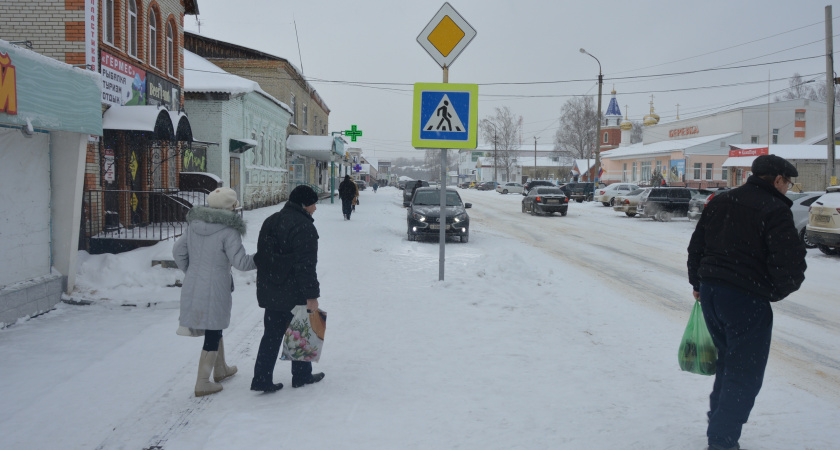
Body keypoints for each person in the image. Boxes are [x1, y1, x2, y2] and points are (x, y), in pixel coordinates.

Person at [687, 154, 806, 450]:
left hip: (712, 293)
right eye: (788, 183)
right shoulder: (775, 209)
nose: (787, 188)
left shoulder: (721, 200)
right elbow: (790, 264)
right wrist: (771, 292)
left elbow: (697, 245)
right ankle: (722, 440)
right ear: (777, 180)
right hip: (746, 300)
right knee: (744, 374)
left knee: (729, 363)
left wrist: (698, 283)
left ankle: (719, 424)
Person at [172, 187, 256, 397]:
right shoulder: (229, 230)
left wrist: (192, 271)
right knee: (213, 330)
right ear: (231, 207)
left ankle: (221, 369)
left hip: (194, 283)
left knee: (213, 326)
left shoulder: (194, 225)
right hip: (216, 285)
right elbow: (241, 263)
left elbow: (178, 251)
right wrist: (262, 257)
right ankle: (202, 382)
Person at [251, 185, 326, 393]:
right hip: (295, 291)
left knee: (271, 336)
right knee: (300, 331)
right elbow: (306, 266)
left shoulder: (271, 221)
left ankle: (261, 378)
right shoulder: (304, 227)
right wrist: (312, 295)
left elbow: (263, 257)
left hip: (271, 289)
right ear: (304, 204)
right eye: (313, 204)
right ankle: (302, 376)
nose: (315, 208)